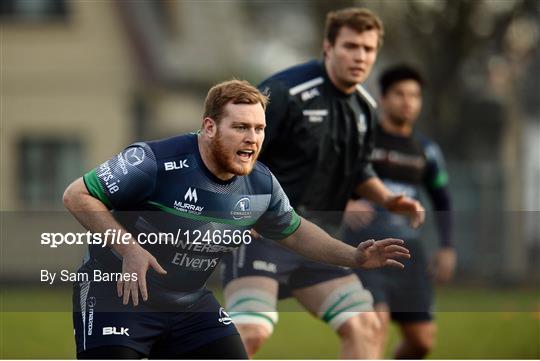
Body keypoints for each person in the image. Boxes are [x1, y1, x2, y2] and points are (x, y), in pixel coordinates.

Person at [63, 79, 410, 359]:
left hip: (188, 303)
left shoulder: (260, 183)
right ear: (210, 127)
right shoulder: (152, 161)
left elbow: (296, 232)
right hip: (118, 296)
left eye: (259, 129)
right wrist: (129, 249)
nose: (252, 139)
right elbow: (77, 194)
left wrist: (354, 256)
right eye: (241, 127)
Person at [221, 8, 424, 359]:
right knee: (249, 332)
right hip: (266, 236)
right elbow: (236, 154)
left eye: (368, 48)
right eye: (350, 46)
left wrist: (390, 200)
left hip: (321, 240)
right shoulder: (285, 92)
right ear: (327, 47)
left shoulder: (365, 108)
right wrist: (242, 208)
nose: (360, 56)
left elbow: (359, 171)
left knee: (366, 326)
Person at [342, 64, 455, 358]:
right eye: (400, 94)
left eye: (415, 95)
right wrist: (345, 204)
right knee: (373, 330)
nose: (408, 101)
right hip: (366, 250)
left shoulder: (426, 150)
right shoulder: (362, 141)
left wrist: (447, 247)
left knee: (422, 342)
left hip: (409, 255)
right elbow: (327, 180)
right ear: (383, 97)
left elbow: (442, 200)